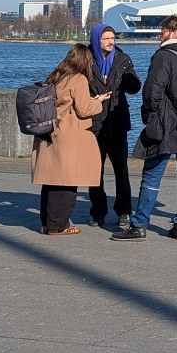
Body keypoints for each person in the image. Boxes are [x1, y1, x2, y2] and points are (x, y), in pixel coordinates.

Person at [112, 15, 177, 241]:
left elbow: (151, 92)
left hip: (166, 123)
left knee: (152, 175)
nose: (160, 35)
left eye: (163, 31)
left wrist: (149, 116)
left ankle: (139, 225)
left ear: (174, 33)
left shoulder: (164, 56)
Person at [31, 43, 110, 235]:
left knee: (50, 180)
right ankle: (58, 226)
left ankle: (47, 223)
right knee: (66, 181)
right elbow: (84, 110)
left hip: (50, 132)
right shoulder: (78, 78)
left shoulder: (56, 75)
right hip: (68, 135)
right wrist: (98, 102)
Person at [86, 24, 142, 230]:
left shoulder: (122, 59)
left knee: (121, 170)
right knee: (94, 171)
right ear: (96, 40)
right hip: (94, 122)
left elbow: (135, 87)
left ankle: (124, 211)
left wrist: (130, 81)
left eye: (112, 38)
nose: (111, 42)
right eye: (106, 38)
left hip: (117, 121)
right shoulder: (86, 59)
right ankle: (98, 211)